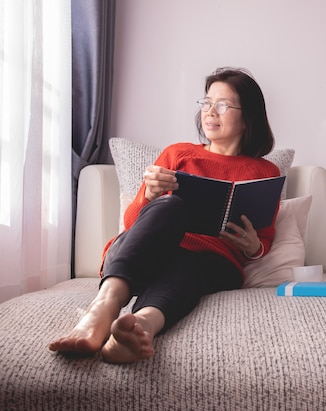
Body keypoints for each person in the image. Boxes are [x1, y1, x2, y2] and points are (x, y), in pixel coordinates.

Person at [49, 67, 280, 364]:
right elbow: (134, 226)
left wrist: (252, 247)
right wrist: (149, 195)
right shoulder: (178, 153)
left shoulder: (264, 172)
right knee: (172, 206)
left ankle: (138, 327)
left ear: (248, 118)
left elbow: (264, 241)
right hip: (144, 254)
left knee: (192, 263)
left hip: (211, 263)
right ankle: (102, 308)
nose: (210, 112)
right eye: (207, 102)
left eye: (222, 105)